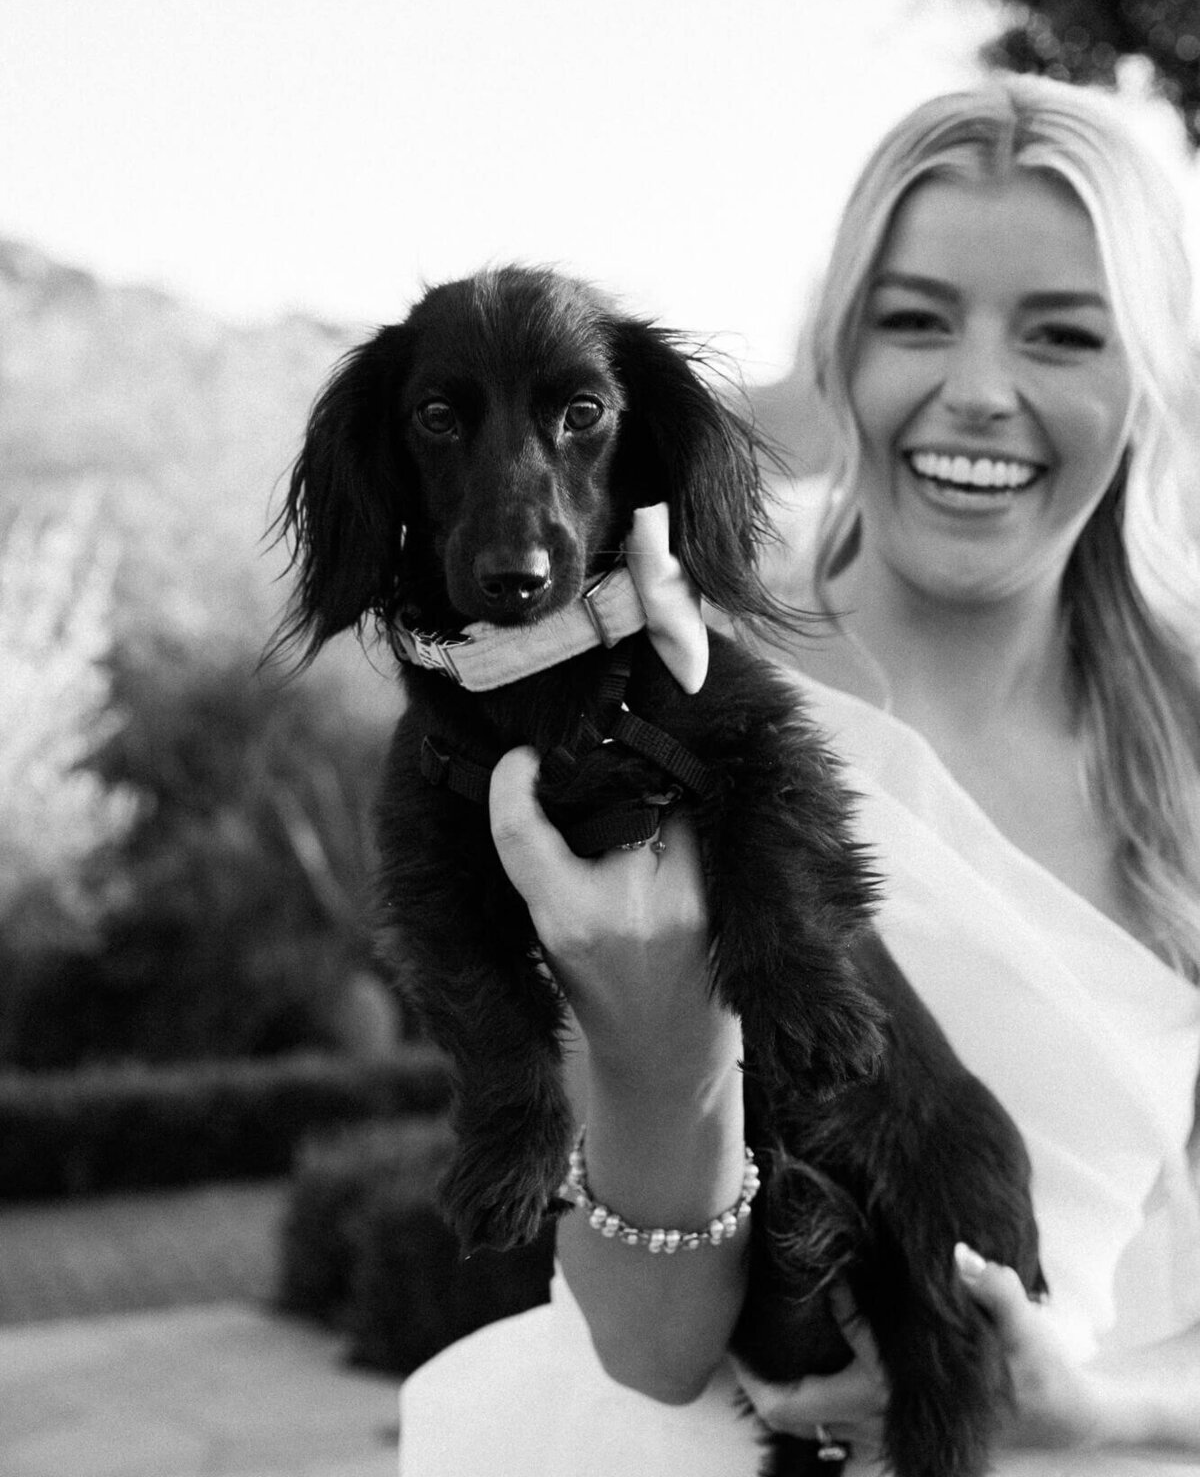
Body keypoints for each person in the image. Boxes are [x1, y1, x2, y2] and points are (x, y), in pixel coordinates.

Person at [398, 75, 1200, 1474]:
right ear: (838, 354)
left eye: (1065, 333)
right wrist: (653, 1029)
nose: (979, 390)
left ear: (1155, 374)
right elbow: (649, 1351)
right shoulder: (664, 696)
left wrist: (1102, 1418)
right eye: (916, 320)